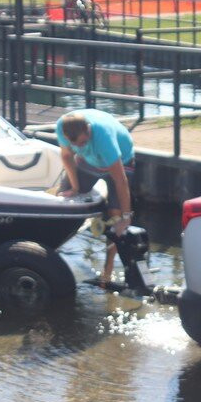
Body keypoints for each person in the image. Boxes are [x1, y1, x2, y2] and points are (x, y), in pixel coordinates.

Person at [55, 109, 135, 285]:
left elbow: (120, 181)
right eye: (76, 145)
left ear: (88, 130)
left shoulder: (103, 139)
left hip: (120, 161)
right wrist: (75, 188)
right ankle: (54, 252)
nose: (80, 147)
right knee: (61, 197)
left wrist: (126, 217)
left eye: (83, 142)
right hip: (88, 161)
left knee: (116, 218)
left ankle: (107, 271)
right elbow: (67, 156)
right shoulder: (61, 126)